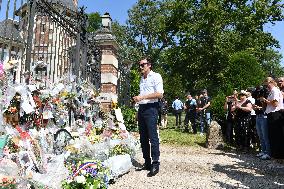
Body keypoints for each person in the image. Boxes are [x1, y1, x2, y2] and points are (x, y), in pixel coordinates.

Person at [133, 58, 163, 177]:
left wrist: (142, 97)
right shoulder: (141, 79)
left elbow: (159, 94)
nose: (141, 67)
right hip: (142, 109)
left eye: (143, 65)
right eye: (139, 65)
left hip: (151, 108)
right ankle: (147, 162)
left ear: (149, 65)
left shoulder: (156, 76)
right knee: (143, 137)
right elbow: (142, 97)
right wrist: (138, 109)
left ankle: (155, 163)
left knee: (152, 136)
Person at [262, 77, 284, 159]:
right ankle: (275, 155)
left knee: (276, 136)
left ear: (271, 82)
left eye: (266, 81)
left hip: (275, 114)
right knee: (272, 135)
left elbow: (275, 104)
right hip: (271, 114)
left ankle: (279, 156)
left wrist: (265, 101)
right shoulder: (271, 91)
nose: (265, 83)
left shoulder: (274, 90)